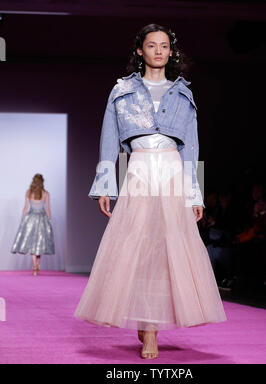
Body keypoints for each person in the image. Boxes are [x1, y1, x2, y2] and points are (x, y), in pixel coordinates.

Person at [74, 24, 226, 359]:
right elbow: (109, 140)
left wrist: (194, 194)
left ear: (171, 52)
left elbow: (191, 148)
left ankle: (152, 329)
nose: (158, 51)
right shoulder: (122, 90)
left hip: (172, 168)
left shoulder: (183, 94)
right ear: (140, 51)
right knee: (135, 247)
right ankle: (145, 321)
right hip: (139, 167)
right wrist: (105, 186)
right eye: (151, 45)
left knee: (167, 249)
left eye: (163, 46)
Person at [11, 173, 55, 275]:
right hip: (42, 218)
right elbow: (47, 208)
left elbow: (25, 207)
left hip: (30, 219)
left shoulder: (29, 192)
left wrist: (23, 219)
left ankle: (34, 265)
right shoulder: (46, 193)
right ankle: (37, 265)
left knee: (31, 242)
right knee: (39, 243)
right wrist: (49, 220)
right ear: (42, 181)